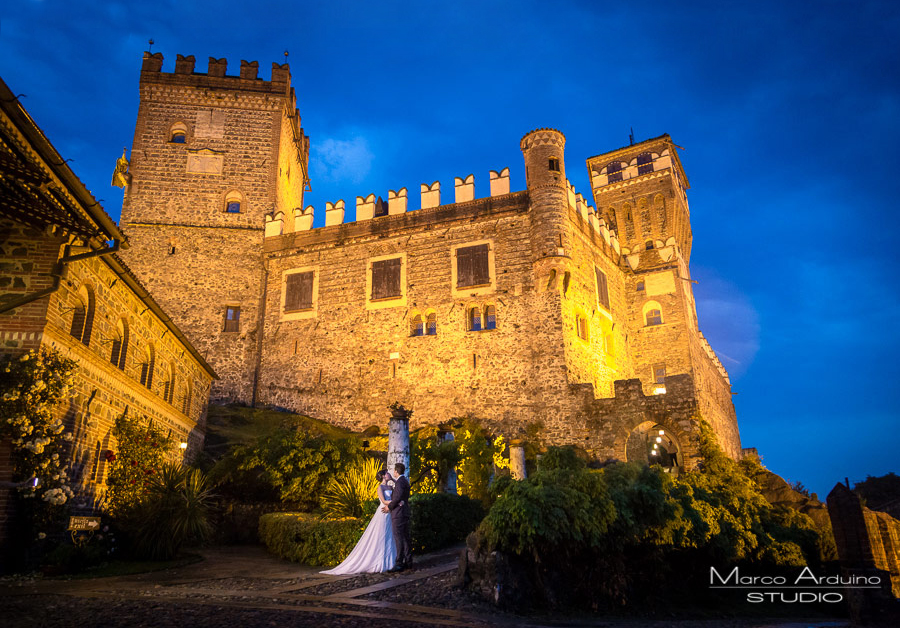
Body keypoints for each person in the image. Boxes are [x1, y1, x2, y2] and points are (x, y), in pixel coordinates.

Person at [320, 469, 396, 575]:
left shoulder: (390, 487)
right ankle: (380, 561)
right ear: (383, 476)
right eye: (387, 473)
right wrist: (396, 502)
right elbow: (383, 501)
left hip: (390, 511)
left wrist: (393, 480)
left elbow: (400, 490)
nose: (389, 474)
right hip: (384, 510)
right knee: (382, 535)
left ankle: (390, 561)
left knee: (390, 535)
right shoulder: (380, 487)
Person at [383, 462, 412, 571]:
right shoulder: (404, 481)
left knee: (399, 538)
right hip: (404, 512)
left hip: (398, 514)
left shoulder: (400, 482)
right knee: (405, 538)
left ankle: (399, 563)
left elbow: (397, 497)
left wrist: (389, 507)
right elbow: (401, 493)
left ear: (396, 471)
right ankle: (408, 561)